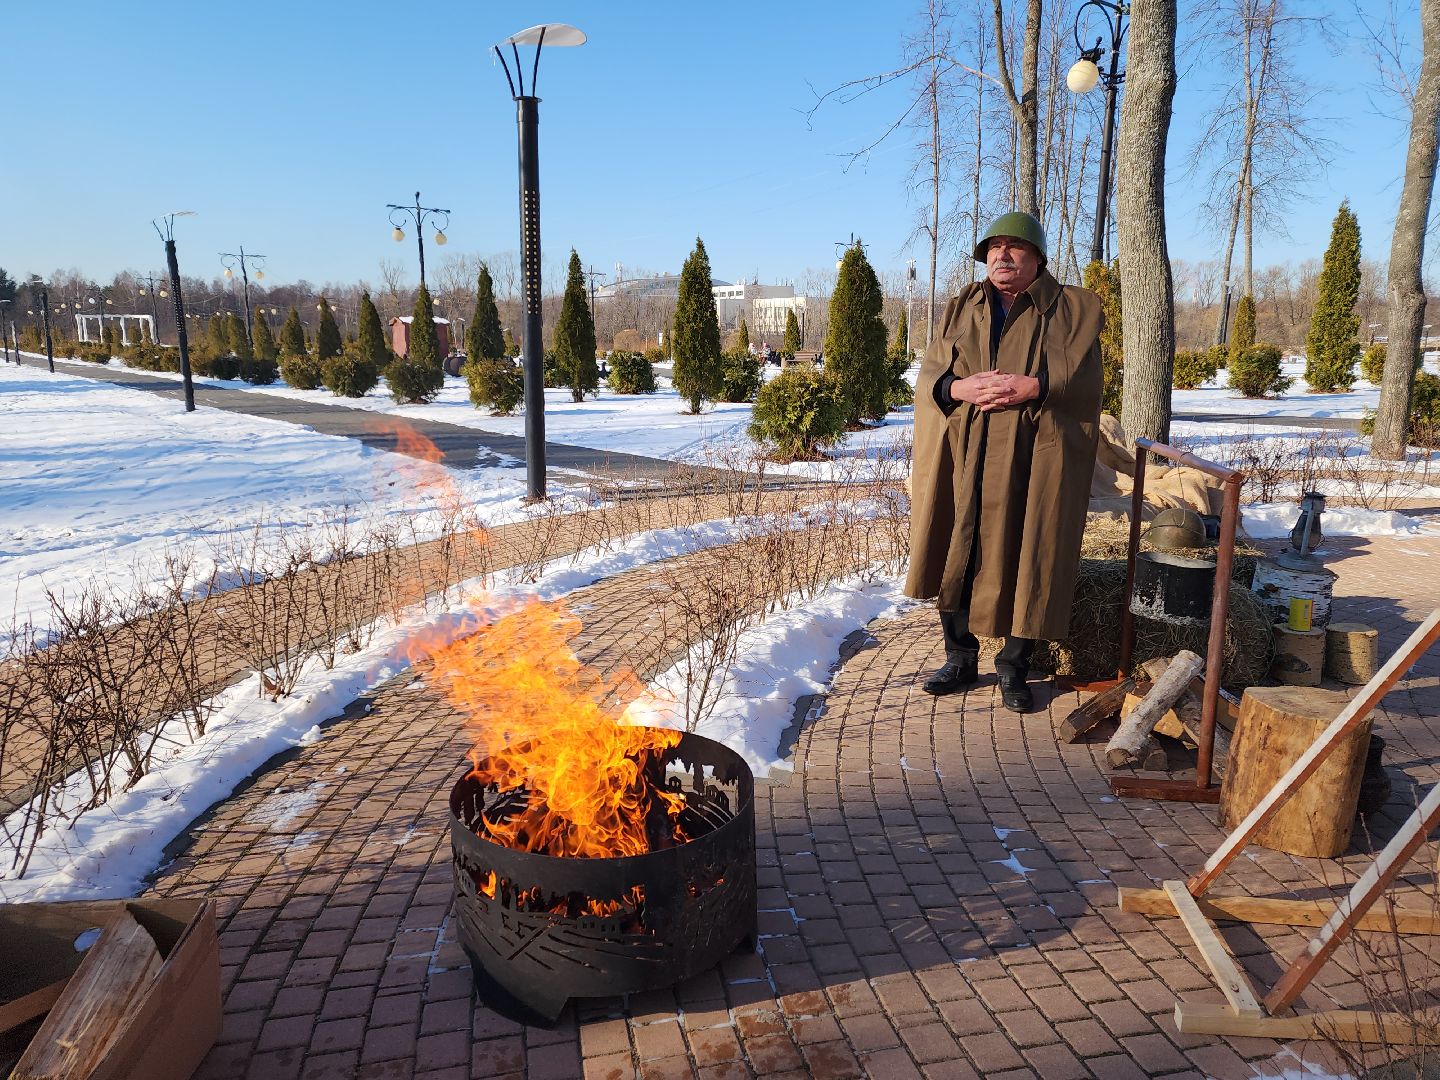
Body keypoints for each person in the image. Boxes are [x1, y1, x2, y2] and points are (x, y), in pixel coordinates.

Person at [905, 211, 1104, 713]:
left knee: (1030, 549)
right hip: (965, 449)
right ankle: (960, 658)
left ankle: (1015, 667)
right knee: (957, 546)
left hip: (1033, 451)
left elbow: (1086, 381)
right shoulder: (963, 306)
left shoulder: (1071, 308)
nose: (1003, 256)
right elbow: (932, 373)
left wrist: (1034, 385)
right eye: (994, 248)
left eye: (1015, 247)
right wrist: (959, 387)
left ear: (1038, 256)